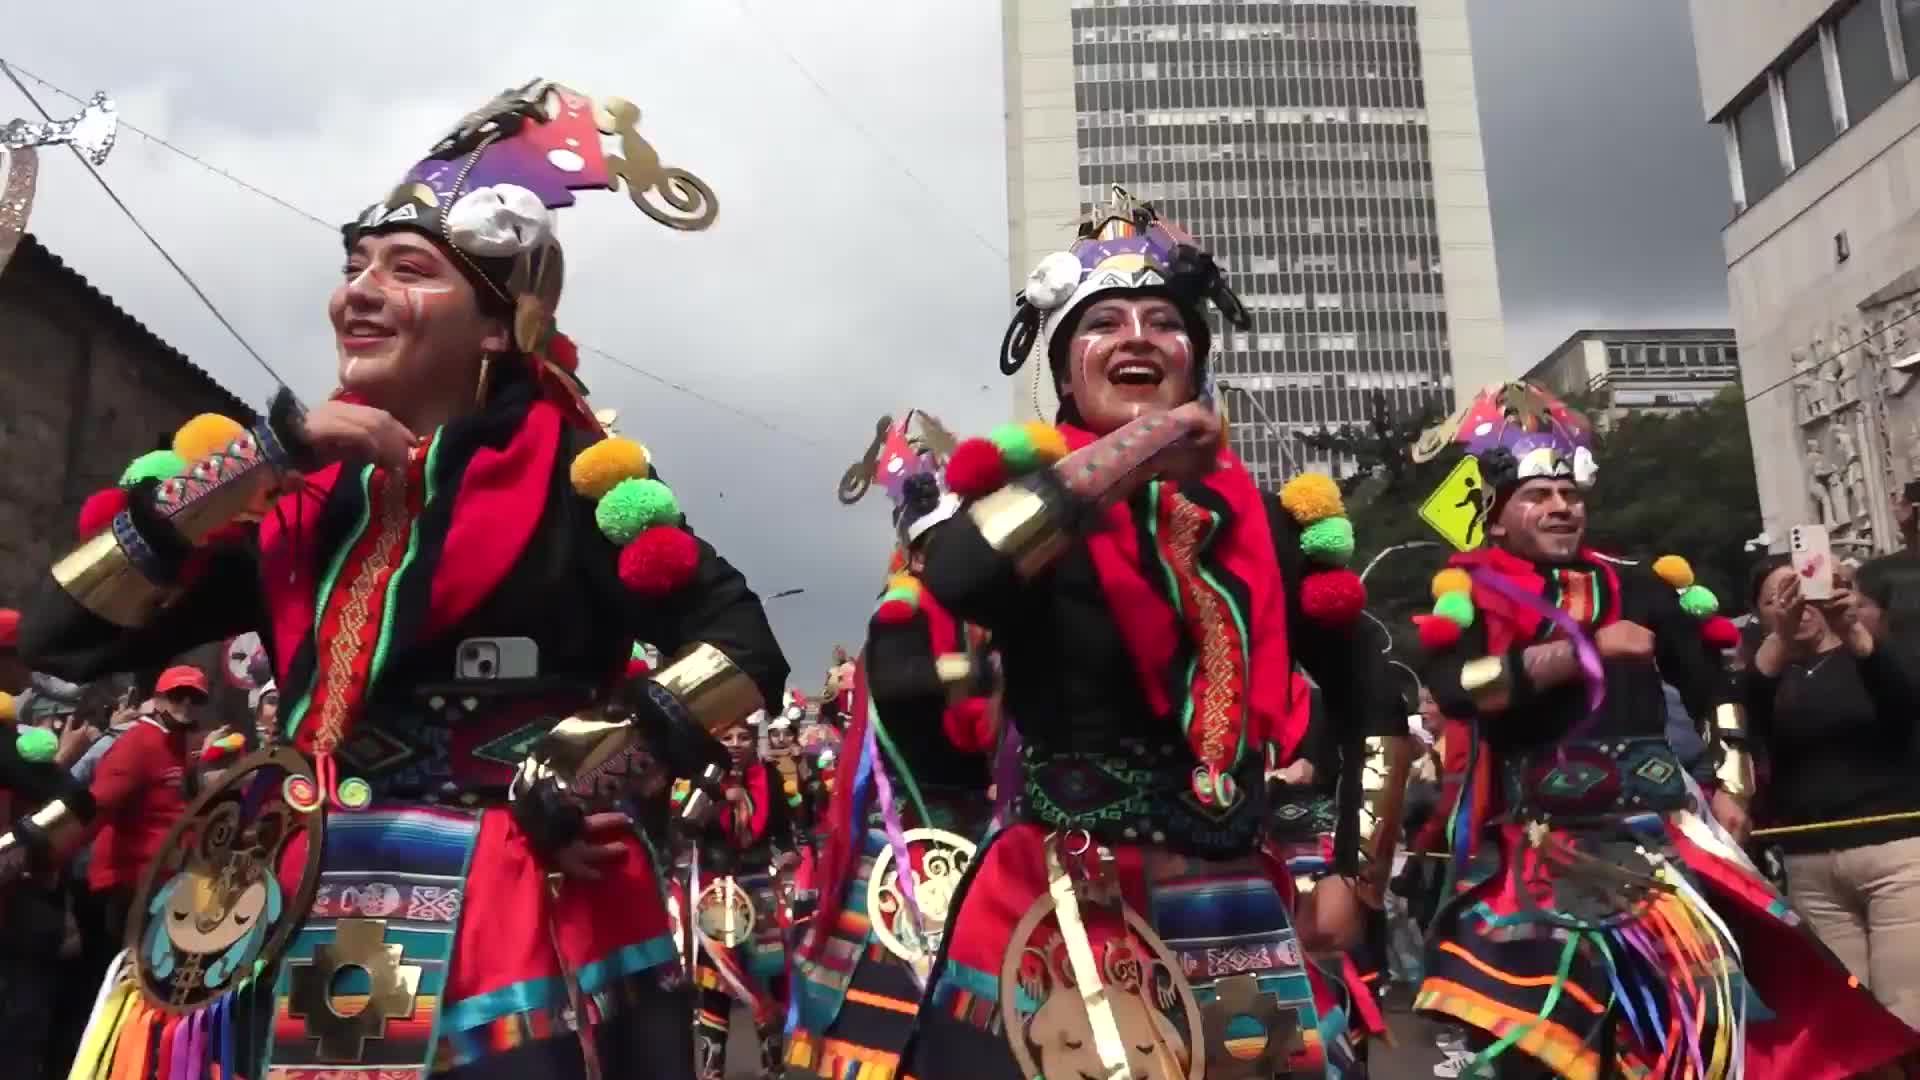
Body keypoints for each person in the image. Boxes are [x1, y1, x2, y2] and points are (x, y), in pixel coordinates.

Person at [5, 81, 786, 1079]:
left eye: (406, 269)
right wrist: (262, 457)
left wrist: (586, 774)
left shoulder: (573, 482)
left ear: (500, 327)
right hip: (270, 903)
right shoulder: (291, 492)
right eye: (354, 266)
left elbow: (740, 644)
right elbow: (66, 629)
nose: (357, 293)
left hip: (496, 916)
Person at [899, 187, 1378, 1080]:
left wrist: (1348, 867)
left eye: (1164, 321)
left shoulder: (1271, 523)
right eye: (1103, 322)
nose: (1136, 337)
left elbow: (1367, 696)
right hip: (1061, 891)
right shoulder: (1034, 505)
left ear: (1194, 360)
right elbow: (961, 575)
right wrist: (1132, 455)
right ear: (1067, 368)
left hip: (1233, 890)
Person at [1410, 385, 1918, 1079]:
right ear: (1495, 520)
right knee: (1544, 1034)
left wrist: (1734, 784)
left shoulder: (1639, 582)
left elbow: (1719, 689)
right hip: (1539, 845)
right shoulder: (1473, 589)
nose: (1562, 507)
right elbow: (1455, 691)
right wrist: (1581, 649)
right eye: (1539, 496)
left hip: (1661, 840)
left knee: (1702, 1020)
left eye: (1570, 492)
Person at [786, 412, 999, 1080]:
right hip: (905, 847)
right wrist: (986, 671)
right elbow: (902, 685)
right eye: (945, 554)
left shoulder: (991, 626)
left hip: (985, 846)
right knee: (876, 1040)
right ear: (915, 558)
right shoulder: (901, 615)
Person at [1743, 552, 1920, 1028]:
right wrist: (1781, 636)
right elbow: (1745, 721)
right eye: (1778, 598)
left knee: (1906, 1011)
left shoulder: (1873, 658)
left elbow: (1902, 706)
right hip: (1811, 867)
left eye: (1803, 589)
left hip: (1895, 854)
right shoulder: (1764, 677)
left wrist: (1853, 632)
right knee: (1845, 1020)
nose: (1798, 605)